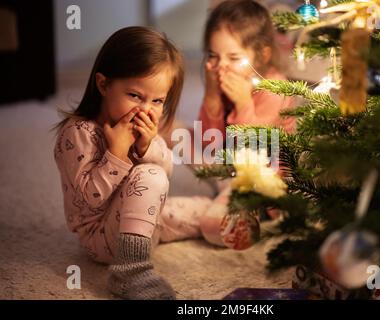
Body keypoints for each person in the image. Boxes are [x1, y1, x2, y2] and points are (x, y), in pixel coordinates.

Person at [54, 26, 212, 300]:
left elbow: (167, 172)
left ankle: (225, 213)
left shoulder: (146, 130)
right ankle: (130, 271)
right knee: (150, 175)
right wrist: (116, 151)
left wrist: (146, 145)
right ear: (103, 85)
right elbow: (90, 199)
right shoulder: (78, 133)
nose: (145, 109)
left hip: (143, 223)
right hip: (102, 237)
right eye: (135, 96)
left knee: (203, 211)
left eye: (158, 100)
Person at [196, 0, 296, 245]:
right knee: (177, 135)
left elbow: (254, 152)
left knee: (213, 227)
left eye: (233, 57)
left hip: (263, 183)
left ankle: (240, 213)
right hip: (227, 163)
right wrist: (211, 96)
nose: (221, 67)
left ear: (262, 55)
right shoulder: (222, 77)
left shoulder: (275, 90)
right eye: (214, 56)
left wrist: (243, 104)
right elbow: (209, 143)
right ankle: (219, 194)